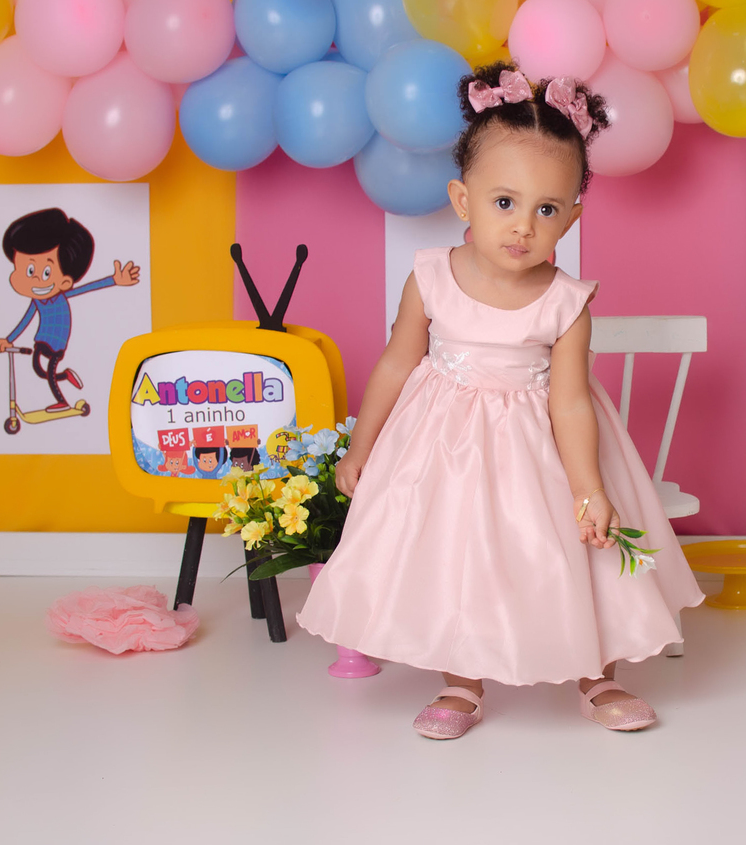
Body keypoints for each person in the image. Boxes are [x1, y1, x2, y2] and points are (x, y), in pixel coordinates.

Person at [297, 63, 704, 740]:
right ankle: (461, 679)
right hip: (444, 447)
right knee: (455, 552)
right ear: (463, 200)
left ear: (572, 215)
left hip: (540, 446)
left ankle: (596, 672)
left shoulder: (567, 302)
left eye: (547, 209)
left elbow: (571, 404)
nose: (523, 227)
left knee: (573, 550)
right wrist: (360, 448)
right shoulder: (431, 277)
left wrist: (588, 489)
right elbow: (397, 362)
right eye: (505, 202)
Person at [0, 208, 141, 410]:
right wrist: (8, 339)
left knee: (49, 373)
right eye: (28, 270)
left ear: (65, 281)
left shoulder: (60, 295)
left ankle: (62, 402)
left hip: (57, 339)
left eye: (46, 272)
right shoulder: (36, 301)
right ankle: (67, 375)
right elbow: (25, 321)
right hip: (42, 337)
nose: (35, 279)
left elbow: (87, 288)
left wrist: (114, 280)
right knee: (39, 370)